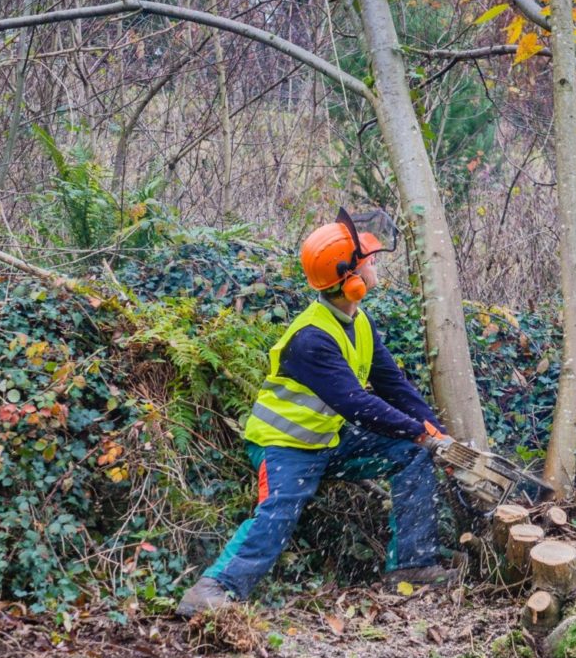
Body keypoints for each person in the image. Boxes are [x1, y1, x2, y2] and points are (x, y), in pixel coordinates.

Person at [176, 211, 460, 616]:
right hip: (284, 444)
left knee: (412, 454)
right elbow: (357, 405)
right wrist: (418, 430)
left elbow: (392, 385)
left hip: (329, 438)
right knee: (280, 509)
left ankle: (412, 565)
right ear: (350, 279)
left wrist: (434, 432)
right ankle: (214, 588)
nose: (375, 264)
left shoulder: (358, 321)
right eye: (369, 261)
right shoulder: (312, 339)